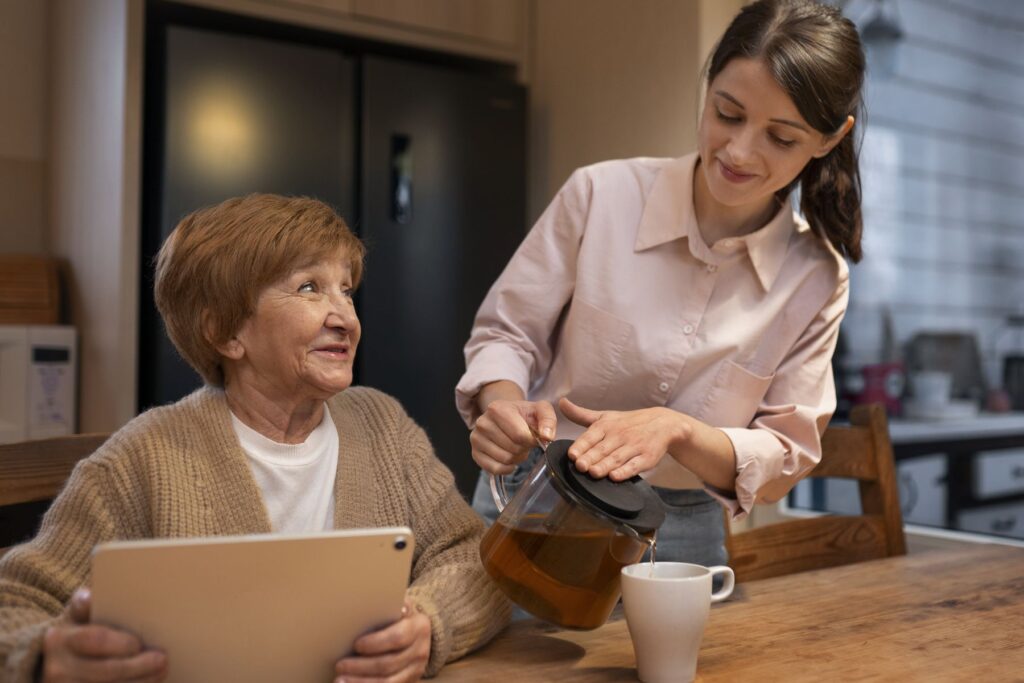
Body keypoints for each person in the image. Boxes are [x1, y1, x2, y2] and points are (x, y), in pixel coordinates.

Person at [0, 194, 510, 682]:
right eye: (309, 287)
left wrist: (426, 623)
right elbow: (16, 603)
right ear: (225, 334)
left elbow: (473, 559)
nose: (346, 319)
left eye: (346, 289)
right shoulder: (144, 458)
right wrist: (45, 658)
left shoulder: (382, 425)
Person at [457, 0, 865, 567]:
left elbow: (784, 452)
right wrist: (501, 405)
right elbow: (507, 332)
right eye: (728, 113)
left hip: (681, 528)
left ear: (828, 138)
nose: (740, 151)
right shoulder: (599, 195)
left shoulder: (816, 278)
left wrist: (679, 432)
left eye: (781, 137)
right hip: (538, 495)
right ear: (708, 88)